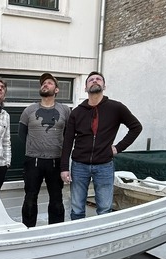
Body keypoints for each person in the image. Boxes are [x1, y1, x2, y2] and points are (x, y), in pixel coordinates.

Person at [60, 71, 142, 220]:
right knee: (77, 208)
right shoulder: (77, 112)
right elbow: (68, 140)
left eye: (98, 79)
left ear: (104, 85)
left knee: (104, 209)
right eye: (91, 80)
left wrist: (118, 147)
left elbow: (136, 127)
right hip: (79, 166)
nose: (95, 81)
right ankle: (79, 239)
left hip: (104, 165)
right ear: (85, 88)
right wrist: (64, 167)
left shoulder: (116, 108)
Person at [19, 73, 71, 227]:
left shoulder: (65, 111)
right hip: (33, 161)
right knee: (30, 198)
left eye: (49, 83)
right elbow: (22, 135)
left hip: (56, 162)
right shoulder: (29, 111)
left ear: (56, 90)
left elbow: (69, 136)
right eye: (43, 83)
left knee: (56, 199)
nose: (45, 85)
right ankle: (28, 231)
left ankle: (55, 232)